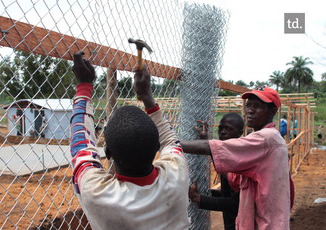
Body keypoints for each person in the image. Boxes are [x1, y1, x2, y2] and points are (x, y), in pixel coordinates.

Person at [70, 51, 190, 229]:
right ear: (157, 147)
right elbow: (171, 141)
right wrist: (147, 96)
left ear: (108, 153)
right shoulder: (176, 173)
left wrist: (85, 85)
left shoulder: (100, 195)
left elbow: (81, 144)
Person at [181, 85, 294, 230]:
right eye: (249, 105)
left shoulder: (266, 138)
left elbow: (213, 148)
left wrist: (172, 143)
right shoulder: (270, 138)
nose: (250, 110)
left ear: (272, 112)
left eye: (257, 106)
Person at [189, 113, 244, 230]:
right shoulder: (228, 155)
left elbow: (235, 203)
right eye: (220, 129)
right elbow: (228, 191)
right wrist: (206, 192)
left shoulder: (241, 159)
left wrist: (199, 199)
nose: (223, 132)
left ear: (240, 132)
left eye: (229, 129)